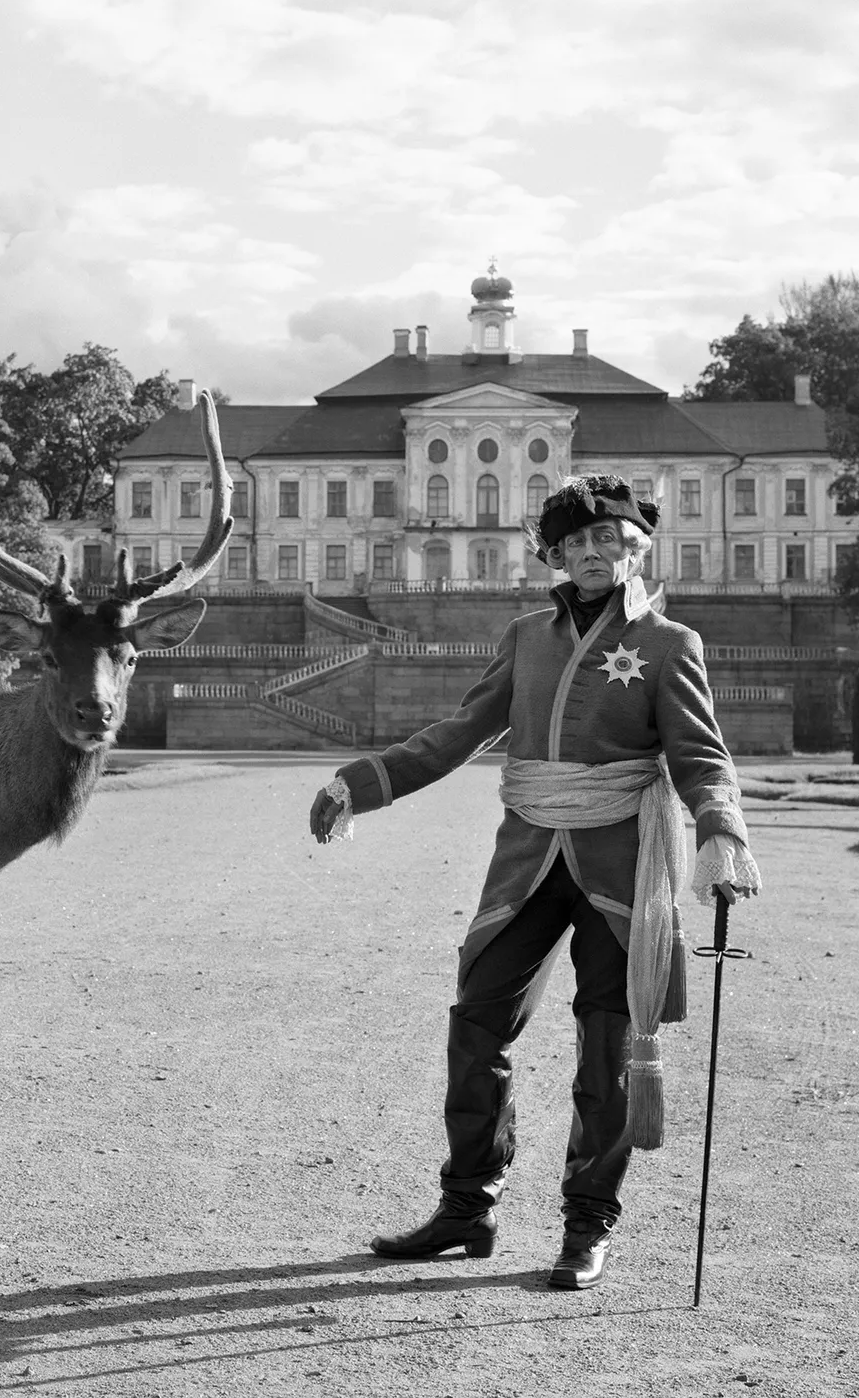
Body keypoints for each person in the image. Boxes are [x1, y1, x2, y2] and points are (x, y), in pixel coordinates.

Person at [309, 473, 760, 1290]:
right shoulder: (526, 635)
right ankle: (467, 1208)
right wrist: (360, 782)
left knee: (608, 1046)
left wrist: (721, 832)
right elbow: (458, 735)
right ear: (552, 554)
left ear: (638, 548)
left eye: (611, 541)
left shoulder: (670, 644)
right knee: (478, 1021)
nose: (594, 554)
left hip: (620, 864)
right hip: (527, 860)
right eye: (576, 543)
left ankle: (588, 1226)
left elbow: (700, 757)